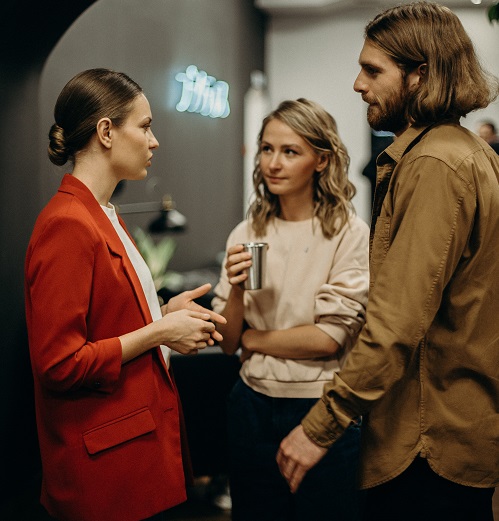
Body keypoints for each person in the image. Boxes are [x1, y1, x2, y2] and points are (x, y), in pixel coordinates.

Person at [276, 3, 499, 521]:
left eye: (373, 70)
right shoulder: (469, 153)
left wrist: (320, 427)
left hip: (426, 442)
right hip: (454, 434)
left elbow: (397, 320)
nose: (358, 84)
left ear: (420, 75)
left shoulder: (434, 164)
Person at [24, 68, 227, 521]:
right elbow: (59, 363)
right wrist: (158, 332)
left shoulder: (102, 213)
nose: (154, 142)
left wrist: (164, 314)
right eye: (146, 126)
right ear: (105, 132)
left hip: (137, 454)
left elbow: (110, 323)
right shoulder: (68, 224)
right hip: (107, 472)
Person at [212, 98, 370, 520]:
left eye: (289, 151)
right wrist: (235, 293)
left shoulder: (347, 233)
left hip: (319, 406)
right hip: (250, 403)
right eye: (267, 149)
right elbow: (227, 344)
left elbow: (326, 340)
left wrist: (253, 337)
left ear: (321, 160)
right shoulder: (247, 231)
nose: (273, 164)